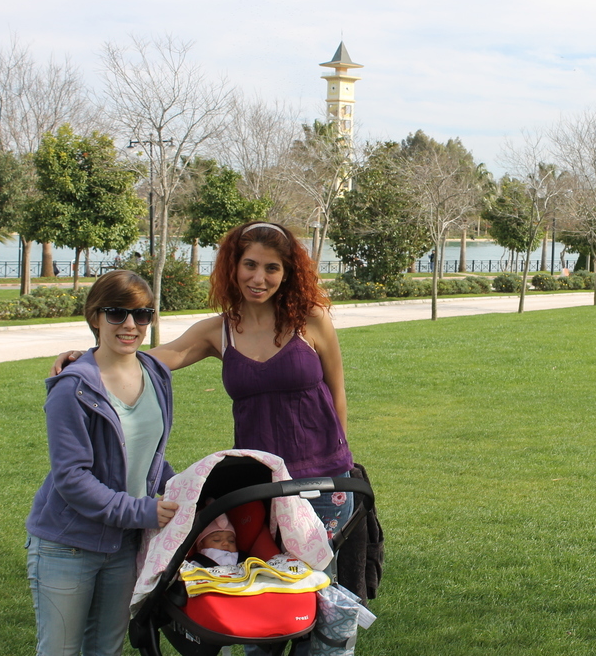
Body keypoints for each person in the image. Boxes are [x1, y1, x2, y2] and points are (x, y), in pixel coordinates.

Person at [53, 221, 354, 539]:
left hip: (322, 482)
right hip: (257, 484)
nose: (259, 278)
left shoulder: (311, 320)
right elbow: (153, 359)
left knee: (321, 581)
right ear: (234, 266)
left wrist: (337, 457)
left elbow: (337, 392)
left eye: (272, 268)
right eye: (249, 265)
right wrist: (90, 358)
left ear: (287, 273)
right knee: (265, 581)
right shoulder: (218, 332)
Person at [27, 270, 180, 656]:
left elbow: (148, 456)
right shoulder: (73, 386)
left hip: (123, 544)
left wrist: (187, 489)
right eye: (117, 313)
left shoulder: (156, 374)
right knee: (61, 650)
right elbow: (72, 478)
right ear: (95, 316)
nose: (131, 325)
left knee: (107, 650)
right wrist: (144, 511)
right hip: (69, 544)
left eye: (143, 315)